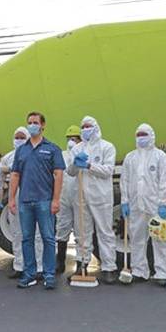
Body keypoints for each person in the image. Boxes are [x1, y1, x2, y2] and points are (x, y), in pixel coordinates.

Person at [8, 111, 65, 289]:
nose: (32, 125)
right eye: (29, 122)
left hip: (45, 201)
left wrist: (56, 200)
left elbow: (58, 174)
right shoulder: (22, 150)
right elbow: (15, 175)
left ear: (43, 125)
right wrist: (11, 198)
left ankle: (48, 275)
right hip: (25, 201)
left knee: (48, 238)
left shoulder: (52, 148)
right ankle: (29, 274)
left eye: (35, 122)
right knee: (27, 239)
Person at [67, 116, 118, 284]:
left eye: (88, 126)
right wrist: (75, 164)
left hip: (101, 197)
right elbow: (71, 172)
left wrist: (89, 165)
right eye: (83, 127)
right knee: (82, 231)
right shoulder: (77, 148)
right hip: (80, 196)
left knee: (105, 231)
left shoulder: (107, 147)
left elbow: (108, 170)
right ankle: (82, 263)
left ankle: (109, 267)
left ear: (95, 127)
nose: (85, 129)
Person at [120, 123, 166, 285]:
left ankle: (162, 272)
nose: (141, 138)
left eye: (144, 135)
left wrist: (163, 203)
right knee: (137, 238)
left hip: (155, 206)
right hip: (136, 205)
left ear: (152, 136)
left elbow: (165, 181)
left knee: (159, 239)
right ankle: (139, 270)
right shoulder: (130, 157)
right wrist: (124, 202)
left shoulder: (160, 157)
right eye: (138, 135)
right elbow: (124, 181)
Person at [0, 126, 44, 279]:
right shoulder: (7, 157)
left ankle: (39, 267)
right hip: (14, 197)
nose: (19, 140)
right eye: (17, 137)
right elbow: (0, 177)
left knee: (36, 233)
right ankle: (19, 265)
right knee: (17, 232)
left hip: (34, 194)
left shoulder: (36, 153)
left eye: (22, 137)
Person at [55, 125, 81, 274]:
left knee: (81, 231)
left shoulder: (84, 153)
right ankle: (60, 262)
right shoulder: (62, 155)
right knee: (62, 228)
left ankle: (80, 264)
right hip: (64, 197)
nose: (71, 141)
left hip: (79, 197)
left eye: (75, 139)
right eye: (69, 139)